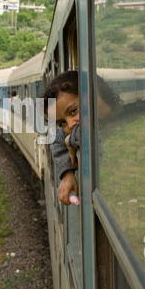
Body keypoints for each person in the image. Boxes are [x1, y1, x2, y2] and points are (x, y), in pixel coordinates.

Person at [43, 70, 121, 205]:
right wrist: (67, 173)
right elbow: (58, 140)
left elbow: (84, 132)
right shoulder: (74, 127)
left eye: (73, 111)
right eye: (62, 123)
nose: (70, 124)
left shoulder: (117, 121)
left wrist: (70, 141)